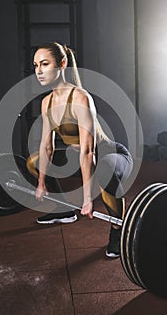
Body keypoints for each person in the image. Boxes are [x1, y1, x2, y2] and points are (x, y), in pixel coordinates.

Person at [26, 42, 133, 258]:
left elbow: (88, 151)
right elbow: (47, 146)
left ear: (62, 64)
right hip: (79, 157)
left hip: (110, 155)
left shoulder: (80, 98)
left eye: (45, 64)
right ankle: (62, 210)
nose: (39, 70)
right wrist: (41, 182)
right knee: (33, 162)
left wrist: (87, 199)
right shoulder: (46, 102)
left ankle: (117, 230)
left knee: (103, 169)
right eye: (36, 65)